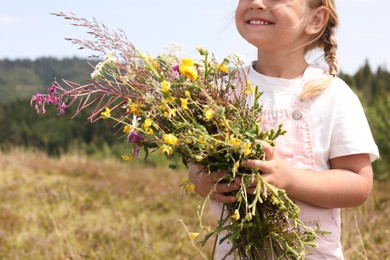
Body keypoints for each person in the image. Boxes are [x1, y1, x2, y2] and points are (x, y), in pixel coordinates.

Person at [188, 0, 379, 259]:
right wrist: (203, 181)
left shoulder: (332, 95)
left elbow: (358, 184)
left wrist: (289, 179)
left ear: (315, 20)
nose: (256, 3)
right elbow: (197, 165)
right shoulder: (220, 92)